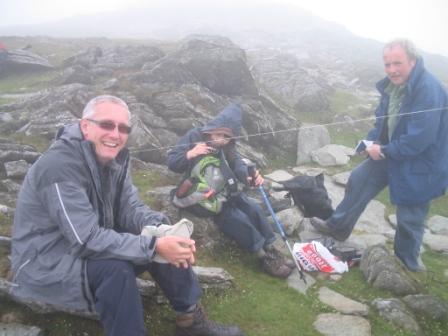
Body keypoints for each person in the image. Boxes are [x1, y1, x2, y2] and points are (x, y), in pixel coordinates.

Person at [11, 95, 244, 336]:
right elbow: (85, 239)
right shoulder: (58, 166)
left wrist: (161, 229)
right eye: (107, 125)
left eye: (123, 128)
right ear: (85, 126)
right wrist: (154, 246)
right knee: (118, 268)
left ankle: (190, 319)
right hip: (44, 262)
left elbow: (130, 208)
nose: (115, 134)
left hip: (84, 247)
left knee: (162, 237)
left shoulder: (114, 158)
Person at [310, 39, 448, 272]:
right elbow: (383, 121)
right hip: (392, 151)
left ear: (412, 61)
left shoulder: (428, 90)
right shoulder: (392, 87)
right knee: (359, 179)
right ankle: (338, 226)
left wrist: (383, 151)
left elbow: (419, 140)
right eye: (387, 64)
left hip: (422, 161)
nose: (392, 70)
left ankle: (408, 265)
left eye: (398, 63)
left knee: (409, 216)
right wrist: (373, 141)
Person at [167, 103, 294, 278]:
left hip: (225, 188)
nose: (221, 140)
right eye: (219, 134)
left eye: (227, 137)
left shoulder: (227, 145)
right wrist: (190, 153)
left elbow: (237, 163)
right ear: (212, 128)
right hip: (202, 195)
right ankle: (264, 257)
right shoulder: (194, 136)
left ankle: (271, 249)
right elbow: (172, 162)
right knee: (237, 218)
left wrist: (249, 177)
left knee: (254, 209)